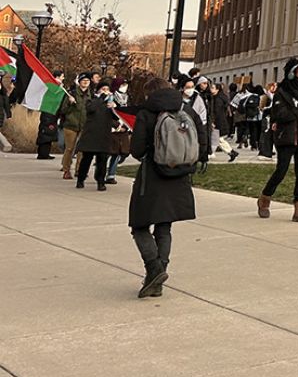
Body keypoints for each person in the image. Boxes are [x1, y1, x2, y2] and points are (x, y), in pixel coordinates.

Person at [129, 75, 209, 298]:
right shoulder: (185, 109)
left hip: (152, 176)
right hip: (180, 175)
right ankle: (157, 279)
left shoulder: (147, 112)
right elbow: (202, 137)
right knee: (164, 227)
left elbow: (136, 150)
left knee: (139, 225)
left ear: (150, 93)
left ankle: (154, 269)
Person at [257, 59, 298, 223]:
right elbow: (281, 116)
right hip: (286, 137)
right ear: (291, 75)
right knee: (281, 170)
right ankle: (265, 197)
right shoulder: (282, 92)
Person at [74, 81, 115, 191]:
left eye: (107, 89)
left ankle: (100, 181)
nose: (106, 91)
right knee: (86, 159)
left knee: (102, 161)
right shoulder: (92, 100)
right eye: (103, 89)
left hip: (104, 135)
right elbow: (91, 108)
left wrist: (115, 107)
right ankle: (81, 179)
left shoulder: (110, 103)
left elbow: (116, 118)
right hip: (91, 134)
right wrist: (101, 97)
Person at [59, 73, 90, 180]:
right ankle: (66, 169)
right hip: (71, 125)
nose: (85, 82)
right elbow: (63, 110)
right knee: (70, 148)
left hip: (84, 126)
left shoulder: (92, 95)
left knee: (82, 149)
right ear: (79, 82)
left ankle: (79, 170)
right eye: (83, 80)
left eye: (87, 80)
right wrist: (69, 103)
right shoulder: (72, 94)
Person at [36, 69, 62, 159]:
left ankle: (44, 153)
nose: (64, 78)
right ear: (58, 77)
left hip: (51, 113)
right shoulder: (52, 86)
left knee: (48, 134)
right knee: (46, 133)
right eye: (62, 76)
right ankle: (43, 154)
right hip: (48, 113)